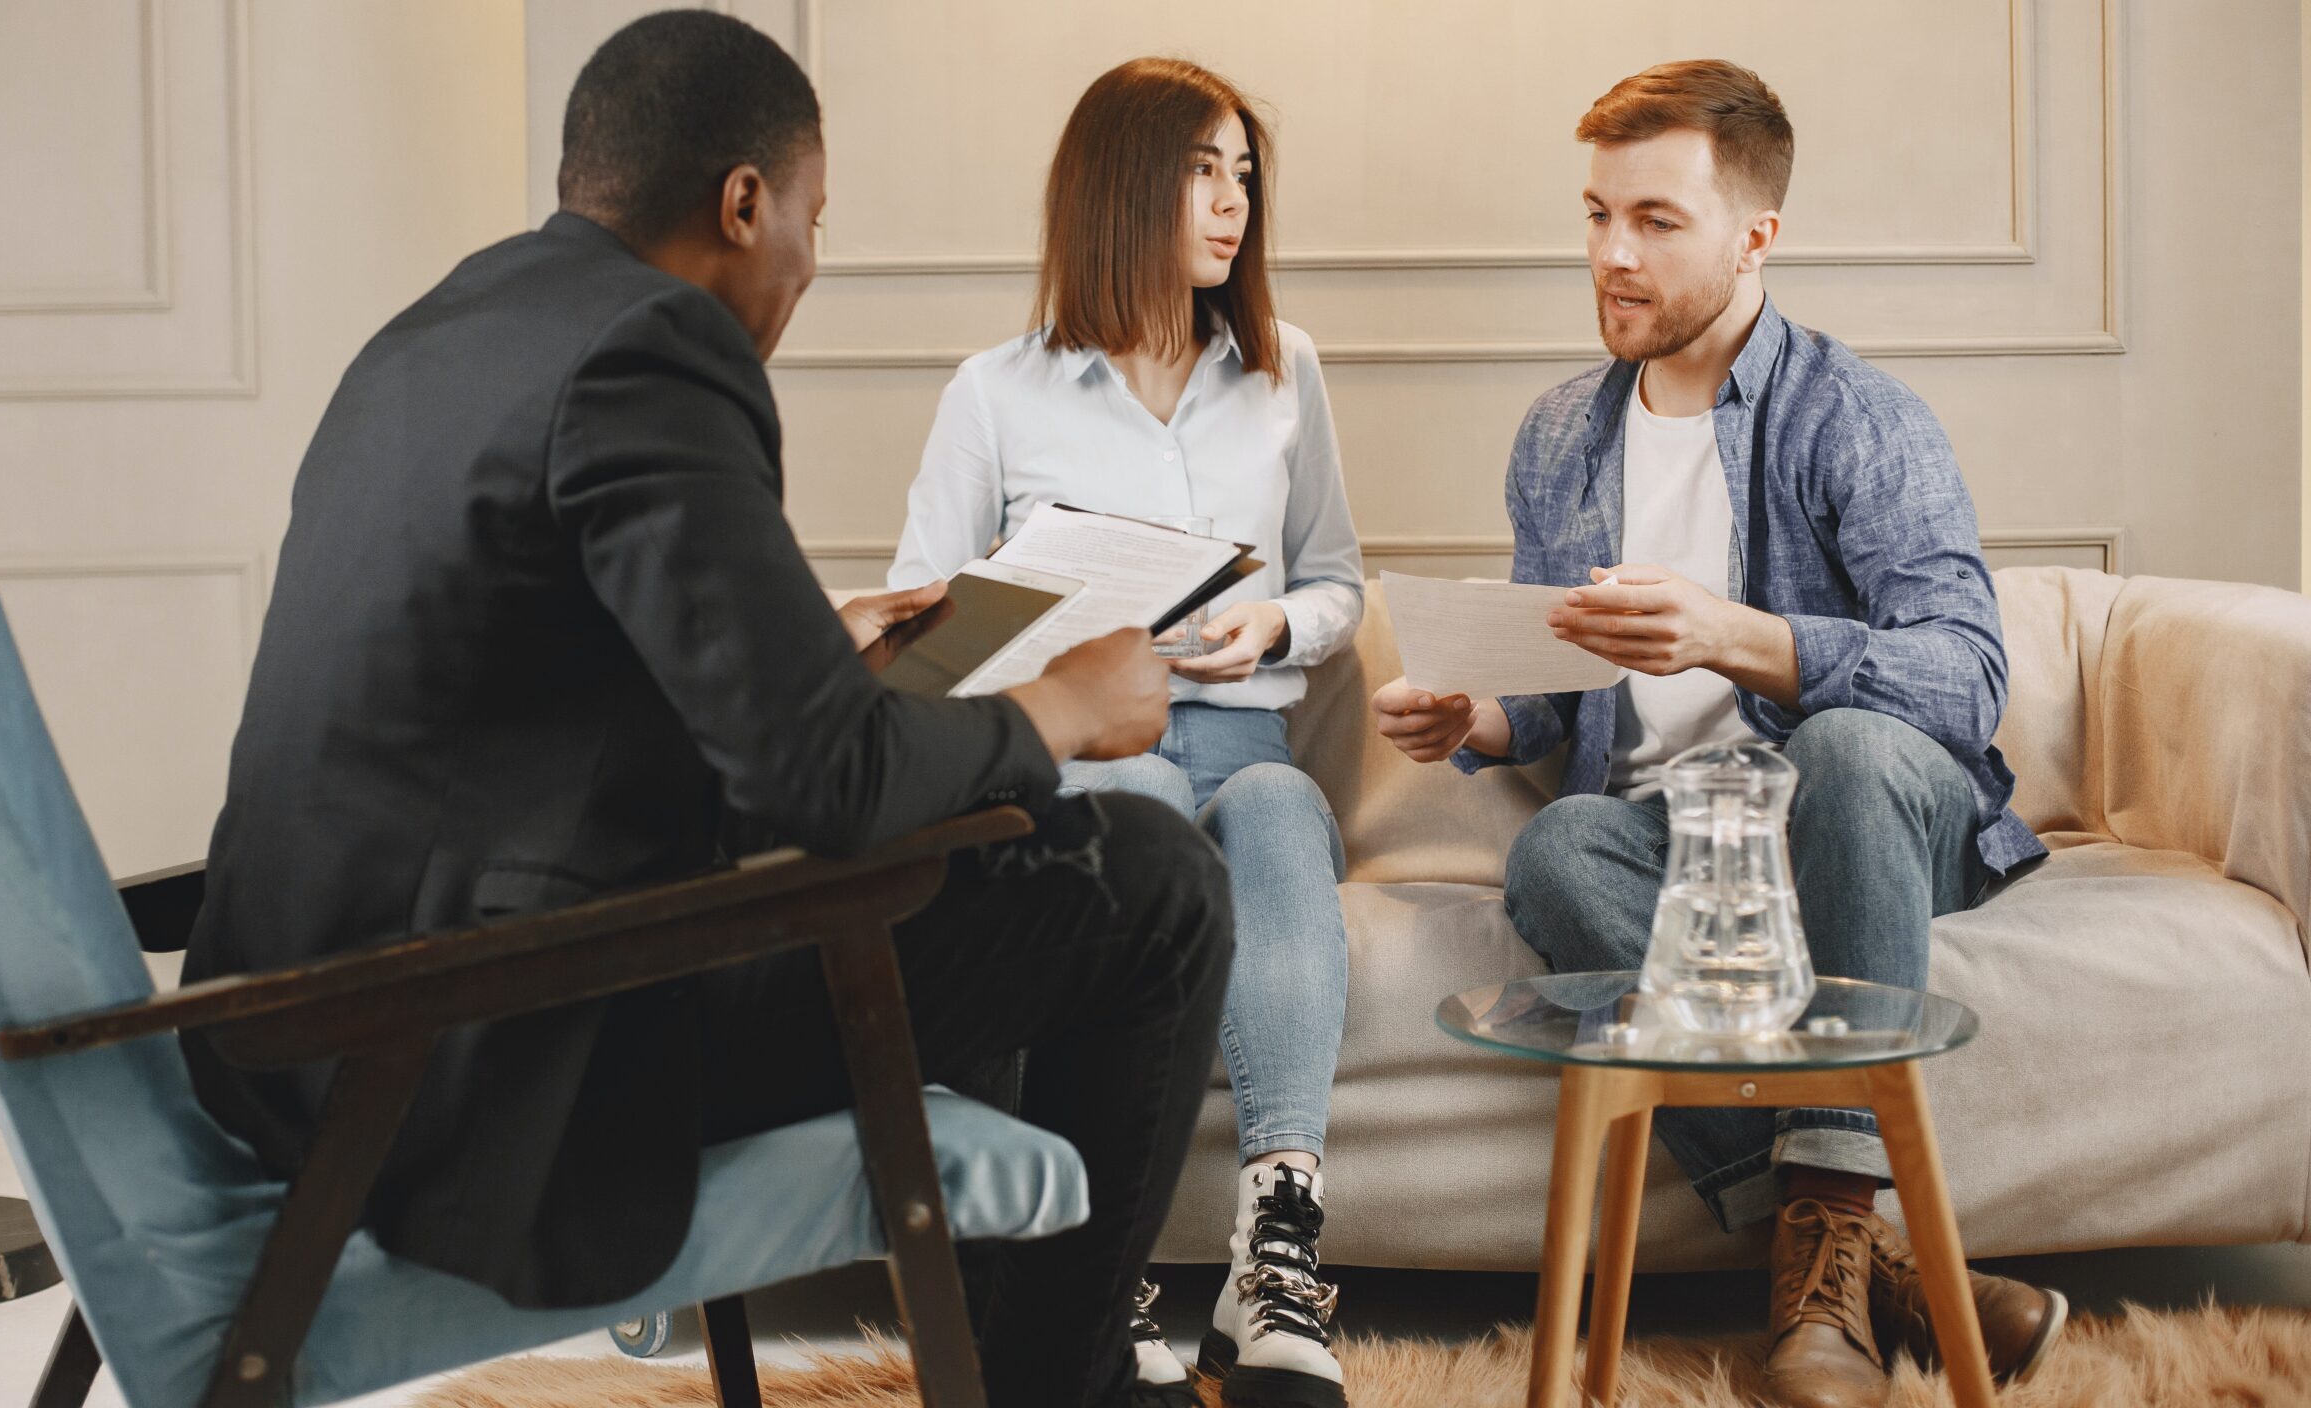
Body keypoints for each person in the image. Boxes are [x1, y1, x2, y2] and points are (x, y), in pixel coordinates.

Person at [180, 14, 1235, 1408]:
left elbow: (530, 700)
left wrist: (817, 650)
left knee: (970, 831)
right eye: (811, 216)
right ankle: (1061, 1386)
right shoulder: (655, 343)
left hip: (299, 1035)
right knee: (1153, 876)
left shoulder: (438, 330)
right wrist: (1061, 700)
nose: (811, 257)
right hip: (482, 1067)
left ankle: (1002, 1366)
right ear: (744, 200)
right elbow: (827, 789)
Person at [1369, 60, 2067, 1408]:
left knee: (1849, 753)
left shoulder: (1859, 419)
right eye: (1595, 216)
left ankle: (1826, 1261)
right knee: (1562, 849)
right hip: (1684, 843)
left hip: (1863, 820)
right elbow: (1570, 695)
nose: (1612, 256)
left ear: (1757, 236)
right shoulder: (1563, 432)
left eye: (1656, 222)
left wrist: (1732, 634)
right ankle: (1853, 1260)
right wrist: (1482, 713)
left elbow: (1964, 677)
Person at [890, 57, 1363, 1408]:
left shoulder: (1285, 373)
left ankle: (1278, 1256)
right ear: (1120, 188)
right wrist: (1056, 645)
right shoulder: (994, 392)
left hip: (1245, 734)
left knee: (1274, 813)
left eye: (1245, 174)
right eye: (1203, 170)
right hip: (1098, 751)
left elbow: (1339, 578)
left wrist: (1276, 631)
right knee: (1142, 823)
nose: (1233, 204)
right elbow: (929, 639)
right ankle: (1105, 1275)